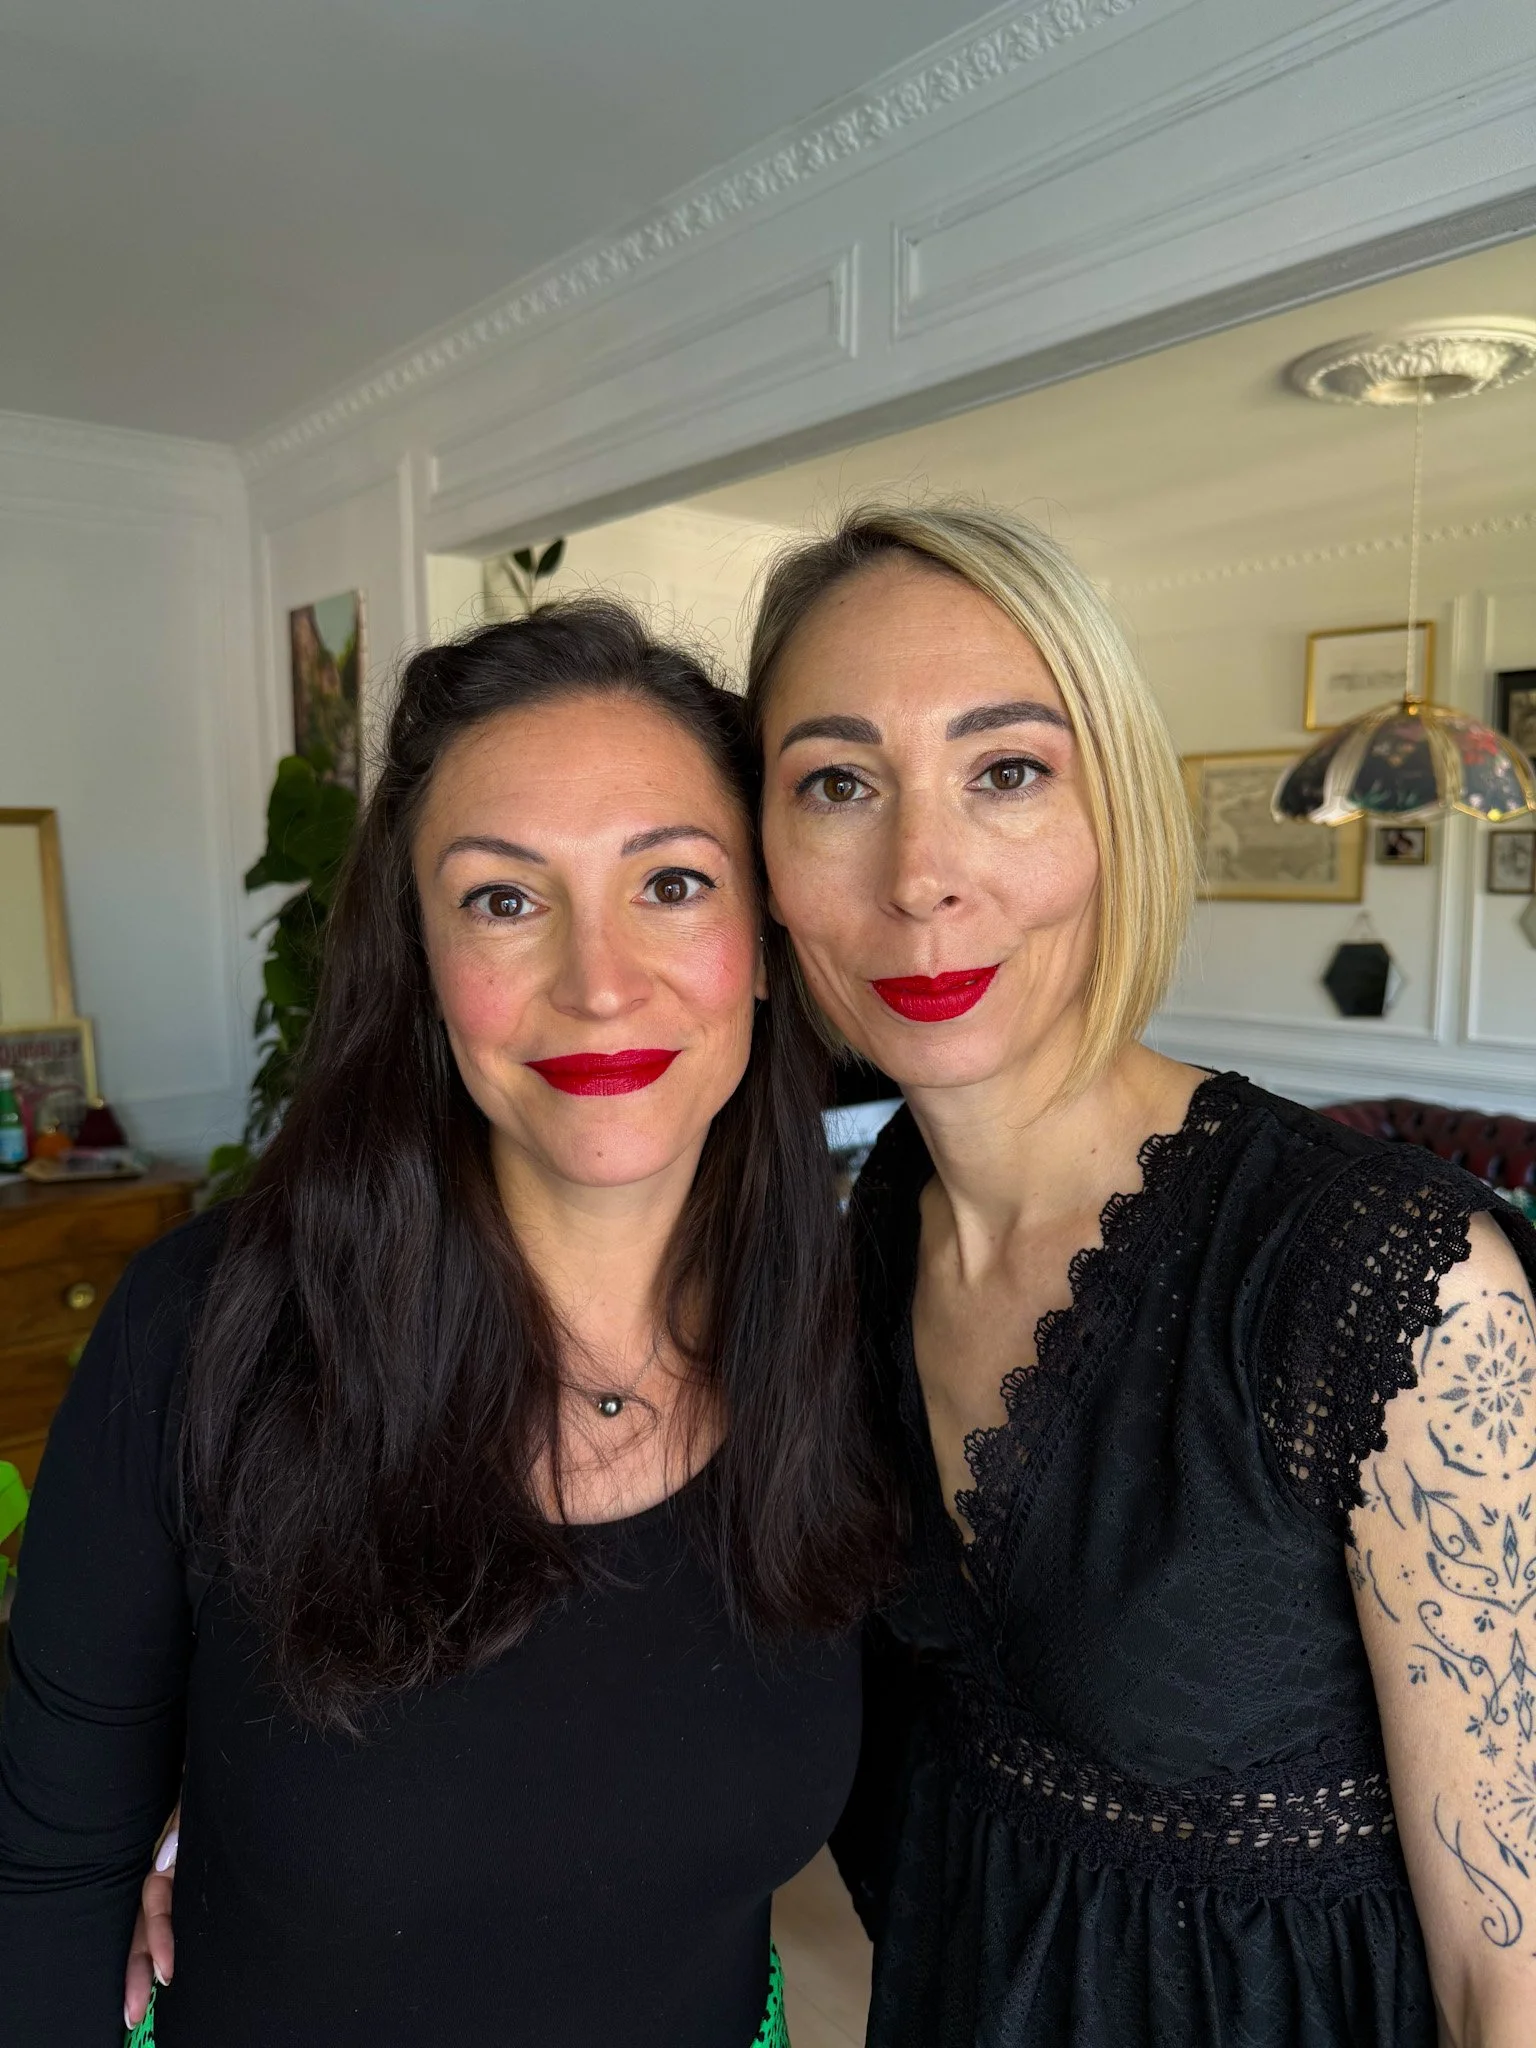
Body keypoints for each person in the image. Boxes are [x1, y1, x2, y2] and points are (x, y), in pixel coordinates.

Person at [0, 600, 890, 2047]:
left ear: (768, 938)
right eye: (503, 898)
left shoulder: (854, 1350)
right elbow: (42, 1879)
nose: (599, 983)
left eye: (672, 882)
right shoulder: (206, 1335)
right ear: (419, 962)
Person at [741, 504, 1536, 2046]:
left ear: (1117, 812)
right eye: (838, 784)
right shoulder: (853, 1250)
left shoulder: (1394, 1289)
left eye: (1009, 772)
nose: (921, 877)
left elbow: (1510, 1973)